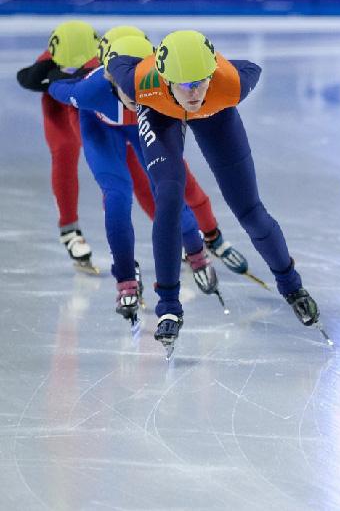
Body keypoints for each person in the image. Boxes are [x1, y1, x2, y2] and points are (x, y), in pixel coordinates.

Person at [107, 30, 320, 354]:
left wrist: (212, 77)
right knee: (168, 201)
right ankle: (168, 305)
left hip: (216, 115)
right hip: (160, 113)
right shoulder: (140, 80)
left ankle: (292, 287)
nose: (194, 92)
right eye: (184, 84)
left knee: (251, 212)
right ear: (164, 77)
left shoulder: (230, 83)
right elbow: (116, 62)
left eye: (201, 81)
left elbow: (252, 68)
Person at [44, 34, 247, 327]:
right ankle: (125, 278)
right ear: (111, 79)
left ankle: (196, 249)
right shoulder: (91, 91)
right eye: (125, 83)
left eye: (138, 81)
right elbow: (60, 91)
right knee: (116, 194)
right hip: (102, 128)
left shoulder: (160, 87)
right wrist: (50, 79)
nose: (133, 89)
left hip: (143, 124)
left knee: (168, 188)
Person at [15, 20, 98, 272]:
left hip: (90, 109)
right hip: (60, 112)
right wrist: (52, 71)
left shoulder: (101, 57)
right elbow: (26, 78)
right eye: (66, 62)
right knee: (64, 153)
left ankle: (179, 230)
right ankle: (70, 231)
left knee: (127, 163)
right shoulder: (47, 61)